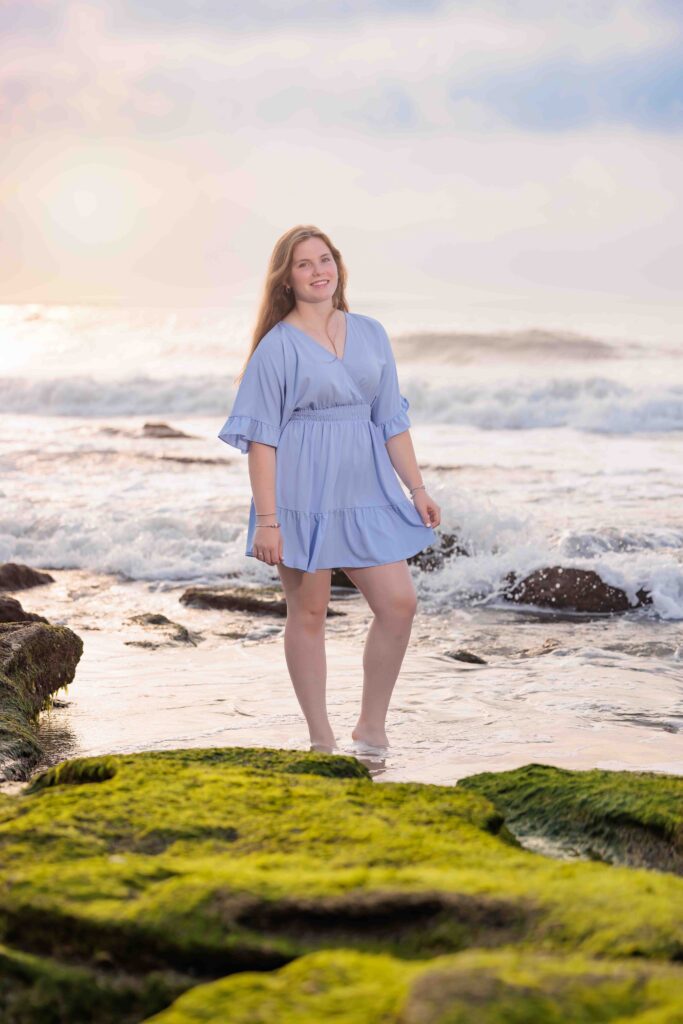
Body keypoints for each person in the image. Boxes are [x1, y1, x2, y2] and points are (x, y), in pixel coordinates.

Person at [218, 225, 441, 754]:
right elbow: (261, 440)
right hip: (301, 495)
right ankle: (322, 739)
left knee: (399, 603)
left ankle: (371, 726)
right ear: (287, 279)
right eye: (304, 264)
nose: (319, 271)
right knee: (310, 613)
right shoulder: (276, 348)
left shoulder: (370, 332)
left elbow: (391, 418)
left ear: (337, 267)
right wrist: (268, 521)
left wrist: (417, 488)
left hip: (365, 488)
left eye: (325, 260)